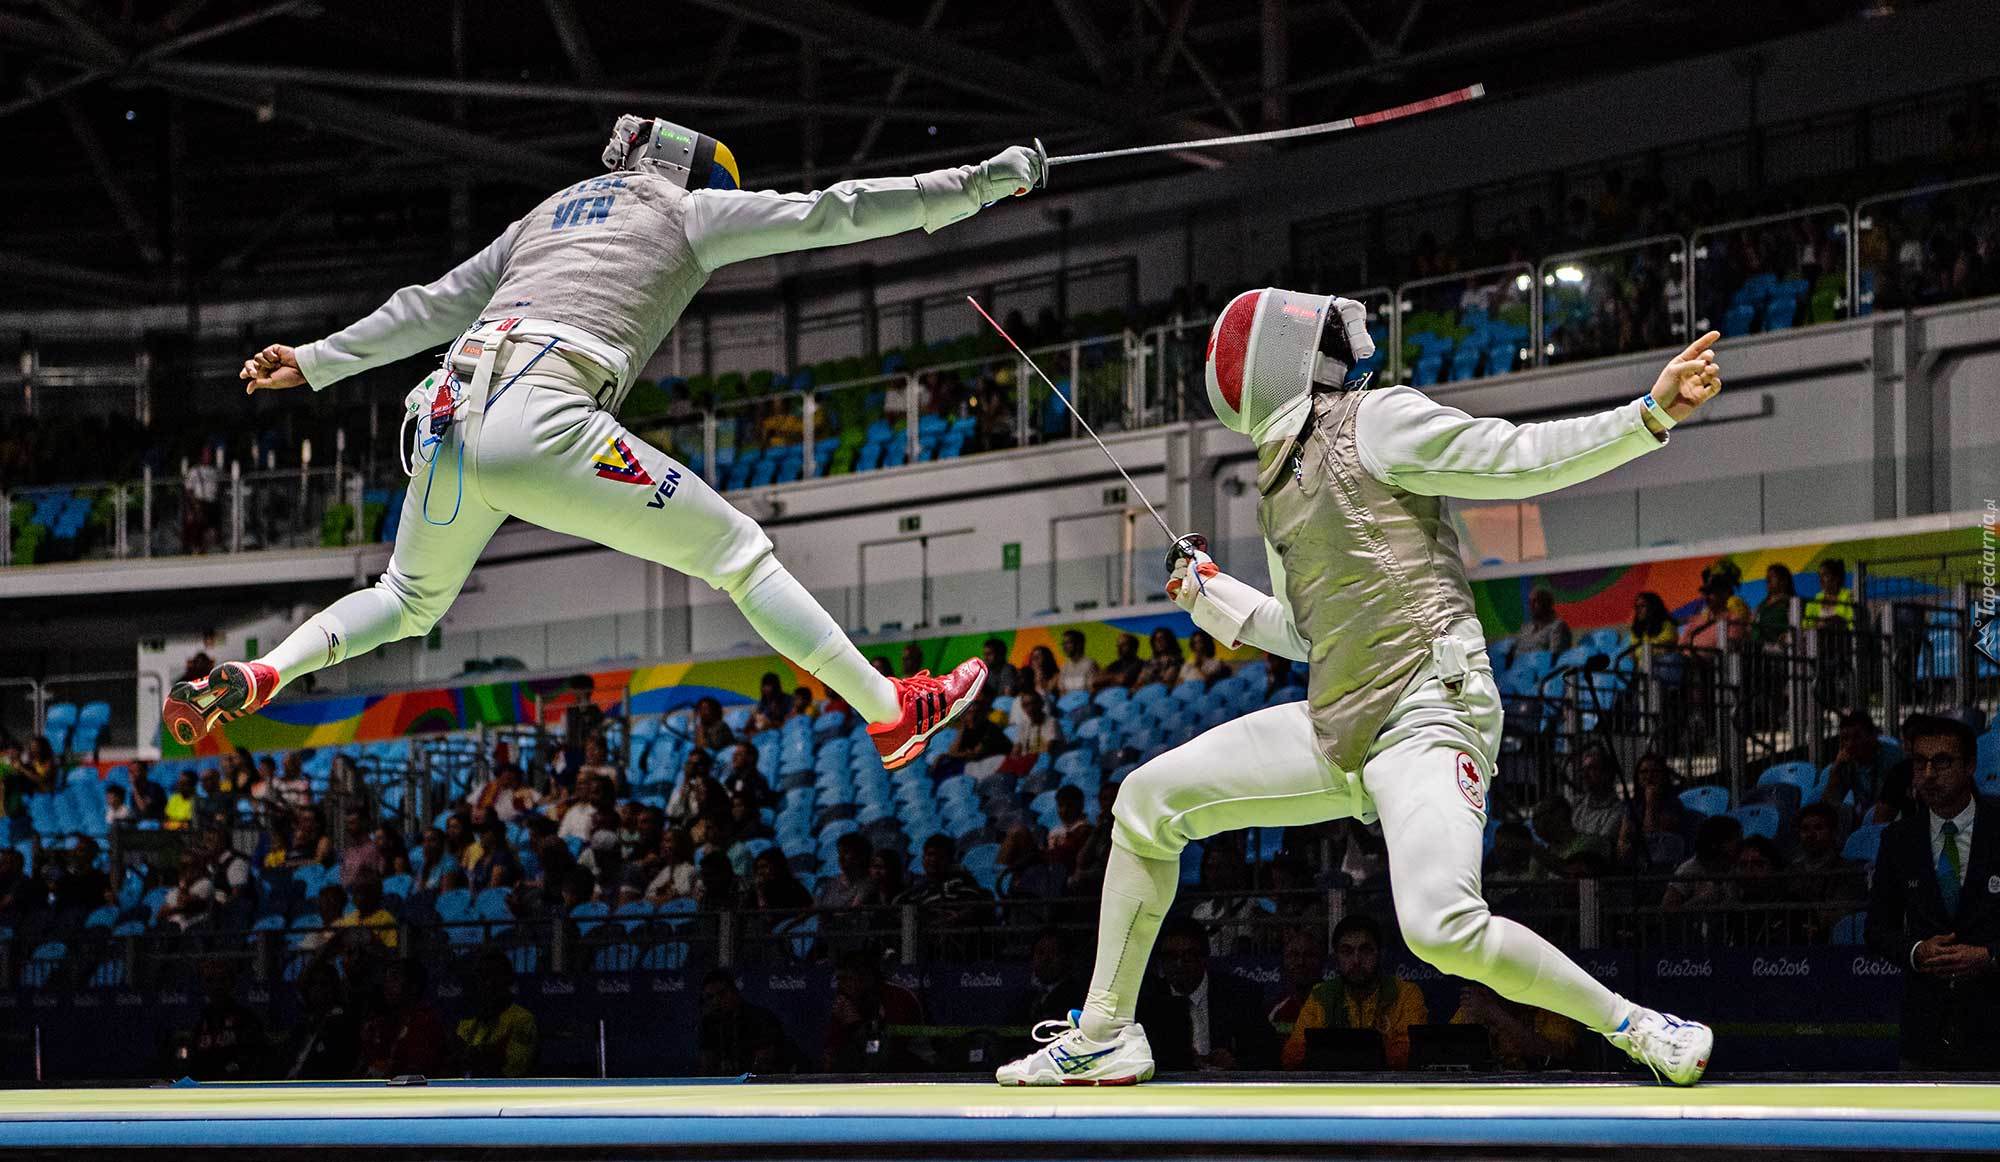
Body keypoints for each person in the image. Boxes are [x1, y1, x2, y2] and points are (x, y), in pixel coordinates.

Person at [998, 295, 1724, 1088]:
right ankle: (1105, 1033)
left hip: (1427, 709)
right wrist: (1211, 598)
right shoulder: (1279, 487)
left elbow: (1516, 457)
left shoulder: (1377, 420)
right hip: (1339, 721)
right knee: (1146, 801)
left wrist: (1647, 415)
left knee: (1441, 926)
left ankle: (1638, 1026)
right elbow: (1311, 633)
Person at [159, 121, 1034, 774]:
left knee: (405, 597)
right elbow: (833, 213)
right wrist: (981, 184)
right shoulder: (688, 210)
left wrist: (317, 361)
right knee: (738, 553)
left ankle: (266, 671)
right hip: (541, 414)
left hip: (445, 420)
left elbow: (431, 303)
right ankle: (891, 712)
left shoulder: (545, 215)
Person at [1865, 714, 1999, 1069]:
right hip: (1925, 1030)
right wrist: (1916, 951)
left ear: (1970, 766)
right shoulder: (1898, 840)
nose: (1928, 774)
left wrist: (1990, 955)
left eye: (1942, 762)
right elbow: (1877, 929)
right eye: (1919, 762)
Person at [1282, 914, 1428, 1070]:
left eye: (1365, 951)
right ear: (1336, 958)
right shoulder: (1321, 995)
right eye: (1347, 952)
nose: (1356, 960)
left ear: (1381, 954)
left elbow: (1411, 1053)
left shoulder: (1405, 994)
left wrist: (1338, 1055)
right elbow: (1292, 1056)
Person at [1133, 917, 1278, 1072]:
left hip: (1226, 1083)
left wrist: (1236, 1063)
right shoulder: (1146, 1000)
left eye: (1187, 956)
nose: (1178, 964)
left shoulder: (1240, 994)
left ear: (1204, 957)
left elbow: (1269, 1054)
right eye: (1170, 957)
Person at [1449, 981, 1578, 1071]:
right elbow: (1447, 1053)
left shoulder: (1550, 1006)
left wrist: (1497, 1015)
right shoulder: (1478, 1005)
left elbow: (1557, 1054)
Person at [358, 960, 448, 1080]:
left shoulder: (426, 1022)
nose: (387, 985)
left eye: (394, 979)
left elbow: (417, 1071)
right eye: (386, 979)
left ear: (413, 986)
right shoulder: (382, 1022)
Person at [454, 951, 539, 1078]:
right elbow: (456, 1062)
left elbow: (514, 1068)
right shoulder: (468, 1021)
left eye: (495, 977)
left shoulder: (522, 1019)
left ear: (508, 981)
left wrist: (479, 1056)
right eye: (483, 977)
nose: (488, 984)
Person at [700, 969, 795, 1074]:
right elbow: (707, 1065)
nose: (716, 1001)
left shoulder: (761, 1019)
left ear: (734, 992)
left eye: (721, 994)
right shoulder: (708, 1024)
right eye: (710, 997)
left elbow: (765, 1064)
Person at [280, 961, 361, 1080]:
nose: (318, 989)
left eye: (323, 984)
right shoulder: (303, 1024)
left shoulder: (341, 1023)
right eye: (313, 984)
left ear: (334, 988)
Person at [1824, 709, 1907, 820]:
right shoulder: (1846, 762)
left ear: (1873, 735)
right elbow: (1829, 805)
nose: (1850, 744)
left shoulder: (1894, 758)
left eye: (1857, 737)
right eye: (1845, 739)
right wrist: (1836, 769)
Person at [1515, 587, 1572, 657]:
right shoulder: (1525, 629)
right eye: (1530, 602)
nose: (1531, 606)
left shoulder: (1558, 627)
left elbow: (1555, 658)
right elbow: (1516, 655)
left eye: (1535, 601)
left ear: (1547, 604)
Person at [1057, 629, 1101, 694]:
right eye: (1063, 644)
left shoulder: (1090, 664)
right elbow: (1062, 692)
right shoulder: (1064, 667)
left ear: (1079, 644)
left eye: (1068, 643)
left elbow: (1093, 691)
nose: (1064, 647)